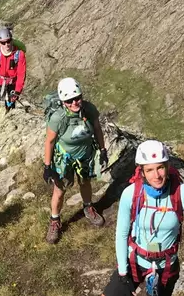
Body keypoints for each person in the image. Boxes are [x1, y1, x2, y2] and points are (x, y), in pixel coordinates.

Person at [101, 140, 184, 296]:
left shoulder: (182, 193)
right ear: (141, 171)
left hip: (165, 265)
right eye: (149, 170)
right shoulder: (131, 193)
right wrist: (122, 271)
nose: (156, 175)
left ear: (167, 167)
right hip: (134, 260)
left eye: (160, 168)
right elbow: (121, 233)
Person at [43, 77, 107, 243]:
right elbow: (49, 141)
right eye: (69, 100)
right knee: (60, 189)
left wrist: (103, 149)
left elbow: (98, 129)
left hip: (85, 155)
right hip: (64, 158)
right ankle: (54, 220)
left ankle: (88, 207)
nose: (74, 103)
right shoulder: (58, 118)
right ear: (63, 101)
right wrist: (47, 166)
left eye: (77, 98)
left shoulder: (89, 109)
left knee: (85, 183)